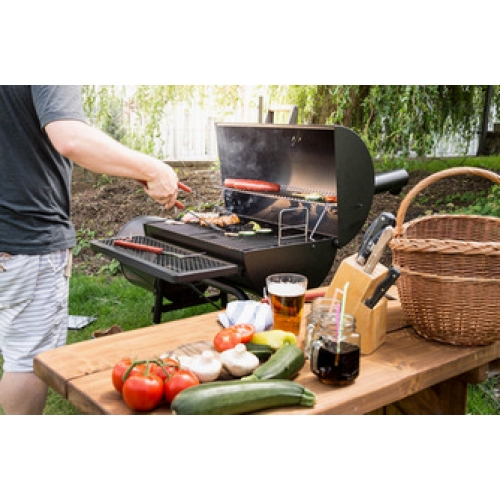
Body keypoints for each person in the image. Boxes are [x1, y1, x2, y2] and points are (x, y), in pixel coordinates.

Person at [0, 85, 180, 414]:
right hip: (26, 237)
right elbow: (70, 137)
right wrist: (153, 169)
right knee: (26, 360)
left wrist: (128, 168)